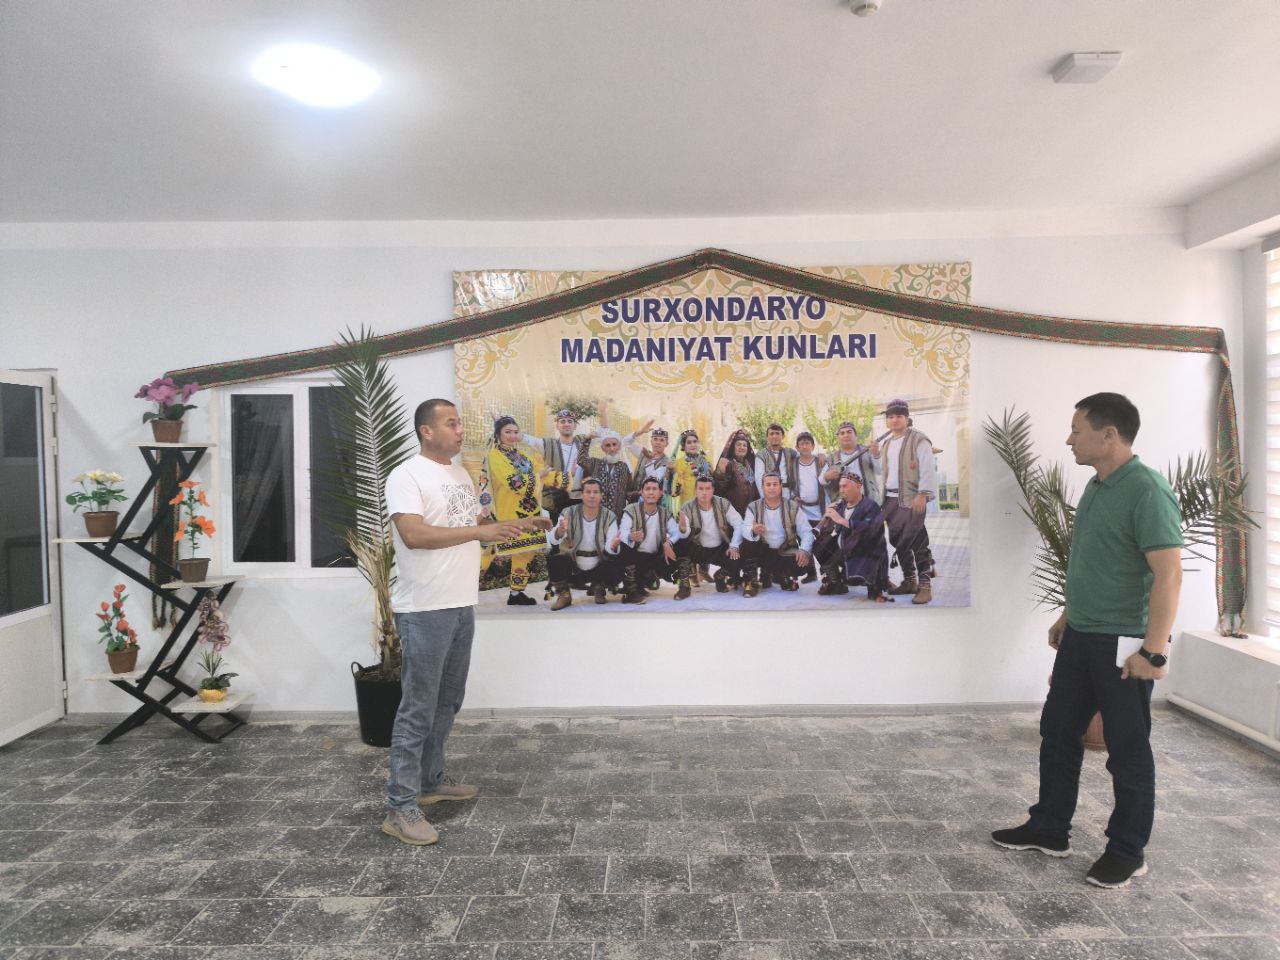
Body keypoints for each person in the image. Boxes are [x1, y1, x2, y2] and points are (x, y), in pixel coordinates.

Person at [991, 392, 1182, 890]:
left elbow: (1169, 575)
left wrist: (1154, 650)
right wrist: (1068, 613)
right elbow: (1093, 561)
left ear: (1109, 435)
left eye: (1077, 430)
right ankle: (1049, 828)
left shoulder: (1147, 490)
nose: (1069, 439)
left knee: (1127, 750)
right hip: (1081, 635)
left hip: (1122, 644)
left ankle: (1127, 851)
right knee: (1057, 732)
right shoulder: (1098, 487)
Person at [382, 398, 542, 846]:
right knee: (417, 708)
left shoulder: (458, 475)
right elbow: (414, 535)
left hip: (459, 604)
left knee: (447, 701)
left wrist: (516, 524)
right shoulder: (406, 475)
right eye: (451, 423)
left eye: (459, 423)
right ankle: (399, 807)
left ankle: (430, 781)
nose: (460, 431)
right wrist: (478, 531)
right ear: (426, 431)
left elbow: (470, 525)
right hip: (424, 608)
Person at [869, 398, 936, 605]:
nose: (894, 420)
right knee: (898, 540)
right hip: (889, 499)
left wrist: (923, 494)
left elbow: (928, 467)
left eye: (899, 416)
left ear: (907, 418)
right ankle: (910, 581)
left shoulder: (919, 439)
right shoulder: (887, 443)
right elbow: (881, 471)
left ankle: (925, 587)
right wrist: (875, 455)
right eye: (890, 417)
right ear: (887, 421)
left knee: (917, 540)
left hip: (912, 498)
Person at [479, 415, 551, 605]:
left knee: (525, 553)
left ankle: (516, 593)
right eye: (508, 432)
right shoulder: (495, 456)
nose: (512, 436)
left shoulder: (522, 456)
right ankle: (463, 589)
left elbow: (544, 471)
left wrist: (568, 478)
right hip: (505, 511)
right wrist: (538, 476)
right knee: (488, 552)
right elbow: (514, 483)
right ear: (498, 434)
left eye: (515, 432)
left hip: (528, 511)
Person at [732, 472, 814, 597]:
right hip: (762, 552)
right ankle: (751, 581)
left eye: (775, 484)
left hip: (784, 550)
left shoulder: (793, 506)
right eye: (768, 484)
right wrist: (754, 530)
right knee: (748, 543)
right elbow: (745, 529)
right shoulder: (753, 506)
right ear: (762, 487)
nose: (771, 488)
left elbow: (807, 532)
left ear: (780, 486)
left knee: (802, 562)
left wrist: (804, 550)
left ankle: (782, 574)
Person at [546, 477, 622, 608]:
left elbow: (611, 544)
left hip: (598, 566)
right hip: (574, 567)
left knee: (618, 562)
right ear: (582, 494)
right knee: (554, 560)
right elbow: (553, 539)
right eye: (588, 492)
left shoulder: (610, 516)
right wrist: (560, 530)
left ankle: (599, 586)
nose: (592, 495)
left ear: (601, 495)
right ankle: (564, 594)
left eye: (595, 492)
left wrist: (614, 545)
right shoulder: (568, 512)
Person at [815, 469, 889, 601]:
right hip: (847, 548)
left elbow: (872, 529)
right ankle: (835, 582)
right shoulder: (841, 505)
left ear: (858, 487)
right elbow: (831, 531)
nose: (842, 490)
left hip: (866, 553)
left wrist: (842, 520)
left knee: (859, 581)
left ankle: (874, 585)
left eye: (845, 486)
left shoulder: (871, 506)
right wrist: (825, 520)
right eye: (840, 487)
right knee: (819, 545)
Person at [614, 476, 682, 604]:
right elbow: (622, 531)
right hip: (635, 557)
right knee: (625, 545)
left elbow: (677, 532)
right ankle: (631, 591)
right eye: (647, 489)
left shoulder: (664, 512)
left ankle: (649, 579)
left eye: (654, 489)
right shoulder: (631, 510)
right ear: (641, 492)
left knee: (681, 544)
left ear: (660, 493)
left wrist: (669, 542)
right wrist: (630, 536)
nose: (651, 492)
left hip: (654, 558)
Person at [675, 475, 745, 597]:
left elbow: (739, 523)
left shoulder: (723, 503)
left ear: (713, 490)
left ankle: (720, 576)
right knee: (680, 543)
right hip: (698, 549)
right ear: (695, 490)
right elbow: (684, 533)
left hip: (720, 549)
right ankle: (684, 585)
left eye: (708, 489)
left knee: (742, 549)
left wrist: (734, 545)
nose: (704, 492)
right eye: (701, 489)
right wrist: (682, 529)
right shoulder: (687, 507)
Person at [523, 408, 591, 523]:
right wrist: (503, 425)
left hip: (579, 497)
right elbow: (526, 439)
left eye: (570, 421)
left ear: (575, 426)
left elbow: (604, 435)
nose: (566, 424)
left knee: (578, 530)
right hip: (556, 500)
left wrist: (603, 411)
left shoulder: (583, 441)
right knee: (556, 530)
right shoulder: (547, 444)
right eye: (562, 421)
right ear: (557, 426)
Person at [575, 428, 634, 520]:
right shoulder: (595, 463)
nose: (612, 448)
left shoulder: (624, 467)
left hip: (617, 517)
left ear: (619, 446)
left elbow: (629, 491)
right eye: (608, 445)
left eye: (614, 444)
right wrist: (587, 440)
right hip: (596, 517)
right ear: (602, 448)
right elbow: (581, 460)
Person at [792, 432, 828, 583]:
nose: (805, 446)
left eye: (808, 443)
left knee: (822, 541)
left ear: (813, 446)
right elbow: (791, 483)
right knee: (804, 539)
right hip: (802, 509)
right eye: (802, 444)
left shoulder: (821, 461)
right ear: (797, 447)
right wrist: (794, 496)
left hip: (819, 508)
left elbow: (826, 480)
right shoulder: (793, 463)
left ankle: (827, 573)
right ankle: (811, 572)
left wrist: (823, 455)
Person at [822, 420, 880, 505]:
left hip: (868, 503)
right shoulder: (832, 458)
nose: (846, 435)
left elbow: (879, 471)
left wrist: (875, 455)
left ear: (855, 435)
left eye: (849, 432)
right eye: (842, 433)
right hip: (843, 506)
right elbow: (821, 480)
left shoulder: (868, 451)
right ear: (838, 438)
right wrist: (826, 476)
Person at [714, 429, 760, 515]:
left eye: (744, 445)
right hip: (733, 514)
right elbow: (719, 490)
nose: (741, 447)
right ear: (733, 447)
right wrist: (720, 475)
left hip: (750, 513)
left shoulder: (750, 466)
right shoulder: (728, 464)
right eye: (738, 444)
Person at [671, 429, 713, 513]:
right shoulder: (679, 463)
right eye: (689, 442)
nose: (693, 444)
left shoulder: (707, 460)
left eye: (695, 441)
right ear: (684, 446)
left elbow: (713, 478)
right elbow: (676, 490)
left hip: (707, 501)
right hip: (689, 502)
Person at [755, 423, 799, 498]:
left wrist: (819, 456)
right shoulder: (761, 455)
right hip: (770, 494)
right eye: (771, 434)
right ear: (767, 437)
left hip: (788, 494)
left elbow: (805, 456)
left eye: (777, 433)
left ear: (782, 436)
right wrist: (765, 497)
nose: (774, 436)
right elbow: (759, 478)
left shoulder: (790, 452)